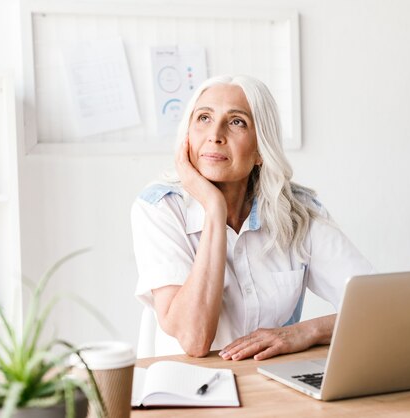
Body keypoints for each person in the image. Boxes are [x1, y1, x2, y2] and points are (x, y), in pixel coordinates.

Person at [131, 74, 373, 361]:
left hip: (270, 385)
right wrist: (214, 208)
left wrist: (305, 332)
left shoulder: (297, 210)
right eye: (204, 118)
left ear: (260, 149)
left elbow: (378, 306)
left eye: (237, 122)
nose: (215, 135)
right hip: (189, 388)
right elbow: (194, 341)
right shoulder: (160, 209)